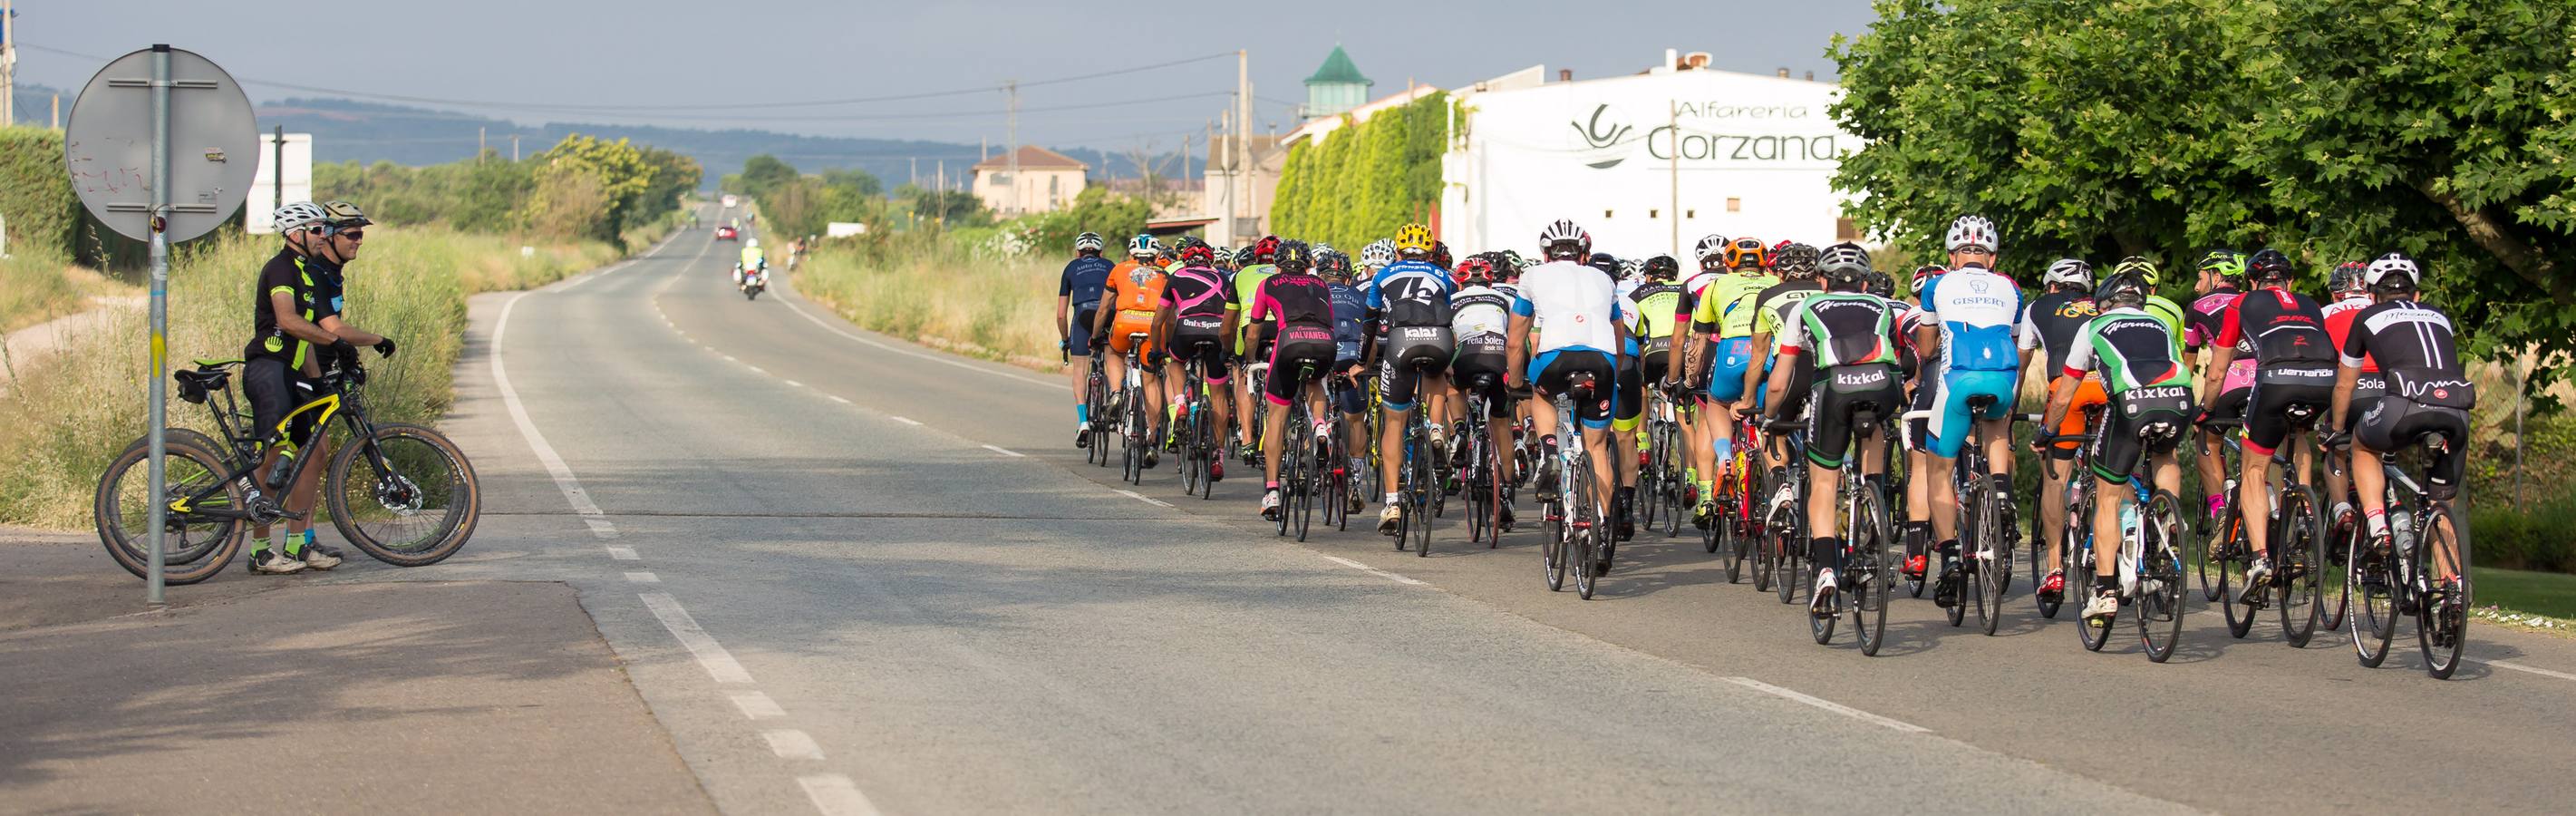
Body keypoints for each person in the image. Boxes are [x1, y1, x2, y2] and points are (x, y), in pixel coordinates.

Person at [242, 201, 395, 574]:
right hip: (269, 368)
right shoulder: (280, 269)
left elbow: (309, 339)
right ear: (296, 234)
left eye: (325, 230)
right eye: (316, 230)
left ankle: (297, 545)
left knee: (312, 452)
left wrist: (318, 380)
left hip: (295, 370)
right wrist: (337, 342)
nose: (322, 236)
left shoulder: (308, 275)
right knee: (274, 455)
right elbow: (288, 321)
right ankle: (260, 550)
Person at [1762, 243, 1905, 614]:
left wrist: (1770, 414)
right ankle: (1873, 509)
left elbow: (1780, 379)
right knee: (1874, 430)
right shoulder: (1883, 306)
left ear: (1822, 281)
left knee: (1823, 483)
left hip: (1835, 387)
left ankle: (1826, 566)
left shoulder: (1805, 307)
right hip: (1883, 384)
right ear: (1864, 283)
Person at [2044, 269, 2193, 623]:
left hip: (2130, 404)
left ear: (2104, 303)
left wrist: (2047, 431)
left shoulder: (2093, 326)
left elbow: (2066, 393)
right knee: (2165, 455)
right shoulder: (2158, 324)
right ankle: (2166, 520)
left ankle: (2106, 590)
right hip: (2179, 398)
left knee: (2108, 495)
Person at [2200, 248, 2337, 602]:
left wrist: (2206, 408)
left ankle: (2261, 558)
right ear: (2290, 281)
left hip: (2276, 380)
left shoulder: (2241, 303)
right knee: (2298, 433)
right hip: (2324, 380)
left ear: (2251, 282)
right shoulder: (2310, 303)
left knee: (2254, 469)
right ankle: (2305, 511)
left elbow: (2217, 371)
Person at [2332, 253, 2470, 595]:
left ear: (2372, 294)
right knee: (2441, 505)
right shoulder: (2440, 316)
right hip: (2456, 409)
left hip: (2404, 404)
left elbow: (2345, 384)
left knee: (2363, 447)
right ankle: (2450, 592)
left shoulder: (2366, 316)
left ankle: (2378, 525)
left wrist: (2335, 429)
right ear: (2417, 295)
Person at [1915, 214, 2022, 607]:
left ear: (1951, 256)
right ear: (1991, 259)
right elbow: (2011, 338)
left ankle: (1950, 557)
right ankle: (2003, 494)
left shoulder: (1935, 284)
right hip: (2003, 378)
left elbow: (1927, 349)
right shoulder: (2012, 288)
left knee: (1938, 469)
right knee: (1996, 428)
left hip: (1958, 379)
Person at [1509, 219, 1628, 573]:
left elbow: (1517, 339)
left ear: (1546, 253)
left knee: (1540, 393)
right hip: (1602, 361)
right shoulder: (1604, 279)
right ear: (1583, 254)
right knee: (1596, 447)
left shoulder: (1532, 277)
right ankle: (1601, 527)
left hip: (1556, 358)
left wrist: (1516, 381)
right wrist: (1611, 374)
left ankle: (1548, 451)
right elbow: (1619, 339)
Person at [2019, 257, 2102, 603]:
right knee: (2112, 473)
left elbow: (2020, 366)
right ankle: (2110, 548)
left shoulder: (2038, 307)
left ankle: (2055, 569)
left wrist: (2010, 411)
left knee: (2055, 480)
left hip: (2068, 390)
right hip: (2109, 390)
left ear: (2053, 286)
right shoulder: (2103, 306)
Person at [1370, 223, 1459, 534]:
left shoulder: (1382, 275)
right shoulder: (1445, 276)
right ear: (1432, 253)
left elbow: (1370, 323)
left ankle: (1392, 503)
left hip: (1400, 340)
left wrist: (1360, 360)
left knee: (1394, 423)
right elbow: (1453, 317)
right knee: (1437, 371)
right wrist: (1449, 360)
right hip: (1439, 338)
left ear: (1397, 252)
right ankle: (1436, 429)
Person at [1684, 237, 1778, 527]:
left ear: (1729, 264)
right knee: (1767, 416)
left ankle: (1724, 456)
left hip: (1730, 352)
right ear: (1763, 263)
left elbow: (1699, 339)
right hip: (1768, 354)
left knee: (1716, 403)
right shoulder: (1775, 282)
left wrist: (1689, 380)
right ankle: (1771, 479)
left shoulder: (1715, 286)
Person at [1250, 241, 1341, 520]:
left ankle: (1272, 490)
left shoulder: (1269, 283)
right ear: (1309, 265)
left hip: (1290, 339)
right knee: (1316, 380)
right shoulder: (1321, 284)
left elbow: (1254, 332)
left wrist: (1250, 360)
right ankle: (1320, 425)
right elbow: (1331, 322)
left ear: (1277, 266)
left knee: (1276, 417)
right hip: (1325, 341)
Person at [1739, 242, 1825, 515]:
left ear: (1780, 272)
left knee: (1775, 431)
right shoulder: (1827, 292)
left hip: (1792, 367)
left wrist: (1749, 399)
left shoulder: (1768, 295)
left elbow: (1758, 356)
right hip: (1829, 366)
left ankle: (1781, 483)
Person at [1156, 237, 1236, 481]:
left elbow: (1160, 319)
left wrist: (1160, 348)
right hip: (1216, 332)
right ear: (1210, 260)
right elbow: (1234, 314)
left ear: (1185, 260)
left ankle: (1180, 402)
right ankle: (1218, 457)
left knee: (1176, 361)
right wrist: (1229, 349)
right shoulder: (1223, 278)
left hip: (1186, 329)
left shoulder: (1176, 277)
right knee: (1220, 395)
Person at [2184, 250, 2253, 524]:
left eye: (2200, 278)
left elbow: (2187, 366)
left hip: (2228, 381)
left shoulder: (2197, 307)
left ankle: (2219, 510)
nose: (2196, 286)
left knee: (2207, 439)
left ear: (2216, 276)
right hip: (2265, 382)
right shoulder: (2255, 300)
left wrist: (2188, 406)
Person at [1091, 234, 1172, 468]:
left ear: (1131, 254)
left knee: (1114, 354)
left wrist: (1095, 336)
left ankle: (1116, 393)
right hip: (1153, 327)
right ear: (1156, 256)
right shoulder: (1164, 274)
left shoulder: (1118, 270)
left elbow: (1104, 307)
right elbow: (1172, 314)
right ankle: (1152, 438)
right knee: (1151, 379)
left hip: (1125, 322)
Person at [1451, 255, 1520, 528]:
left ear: (1460, 282)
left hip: (1467, 355)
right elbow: (1517, 337)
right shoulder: (1504, 299)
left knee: (1452, 386)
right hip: (1497, 355)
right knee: (1501, 424)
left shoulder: (1452, 300)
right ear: (1490, 280)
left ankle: (1458, 432)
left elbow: (1450, 337)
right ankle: (1505, 495)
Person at [2319, 260, 2377, 537]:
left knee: (2335, 448)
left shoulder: (2325, 312)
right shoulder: (2382, 310)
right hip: (2390, 389)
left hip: (2350, 388)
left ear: (2335, 294)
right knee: (2382, 448)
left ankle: (2342, 509)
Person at [1322, 248, 1376, 513]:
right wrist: (1365, 364)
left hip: (1324, 351)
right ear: (1347, 278)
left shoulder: (1316, 292)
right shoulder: (1360, 294)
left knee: (1312, 403)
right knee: (1356, 421)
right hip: (1354, 355)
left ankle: (1317, 441)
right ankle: (1356, 481)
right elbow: (1371, 336)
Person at [1228, 236, 1284, 456]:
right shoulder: (1286, 274)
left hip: (1251, 328)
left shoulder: (1241, 275)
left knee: (1243, 373)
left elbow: (1228, 323)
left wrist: (1229, 350)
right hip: (1282, 328)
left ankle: (1248, 439)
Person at [1059, 232, 1117, 446]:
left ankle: (1083, 420)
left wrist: (1065, 339)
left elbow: (1060, 314)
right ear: (1101, 253)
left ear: (1078, 252)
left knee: (1080, 371)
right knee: (1113, 362)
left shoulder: (1071, 267)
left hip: (1082, 316)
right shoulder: (1110, 265)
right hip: (1108, 315)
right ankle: (1115, 398)